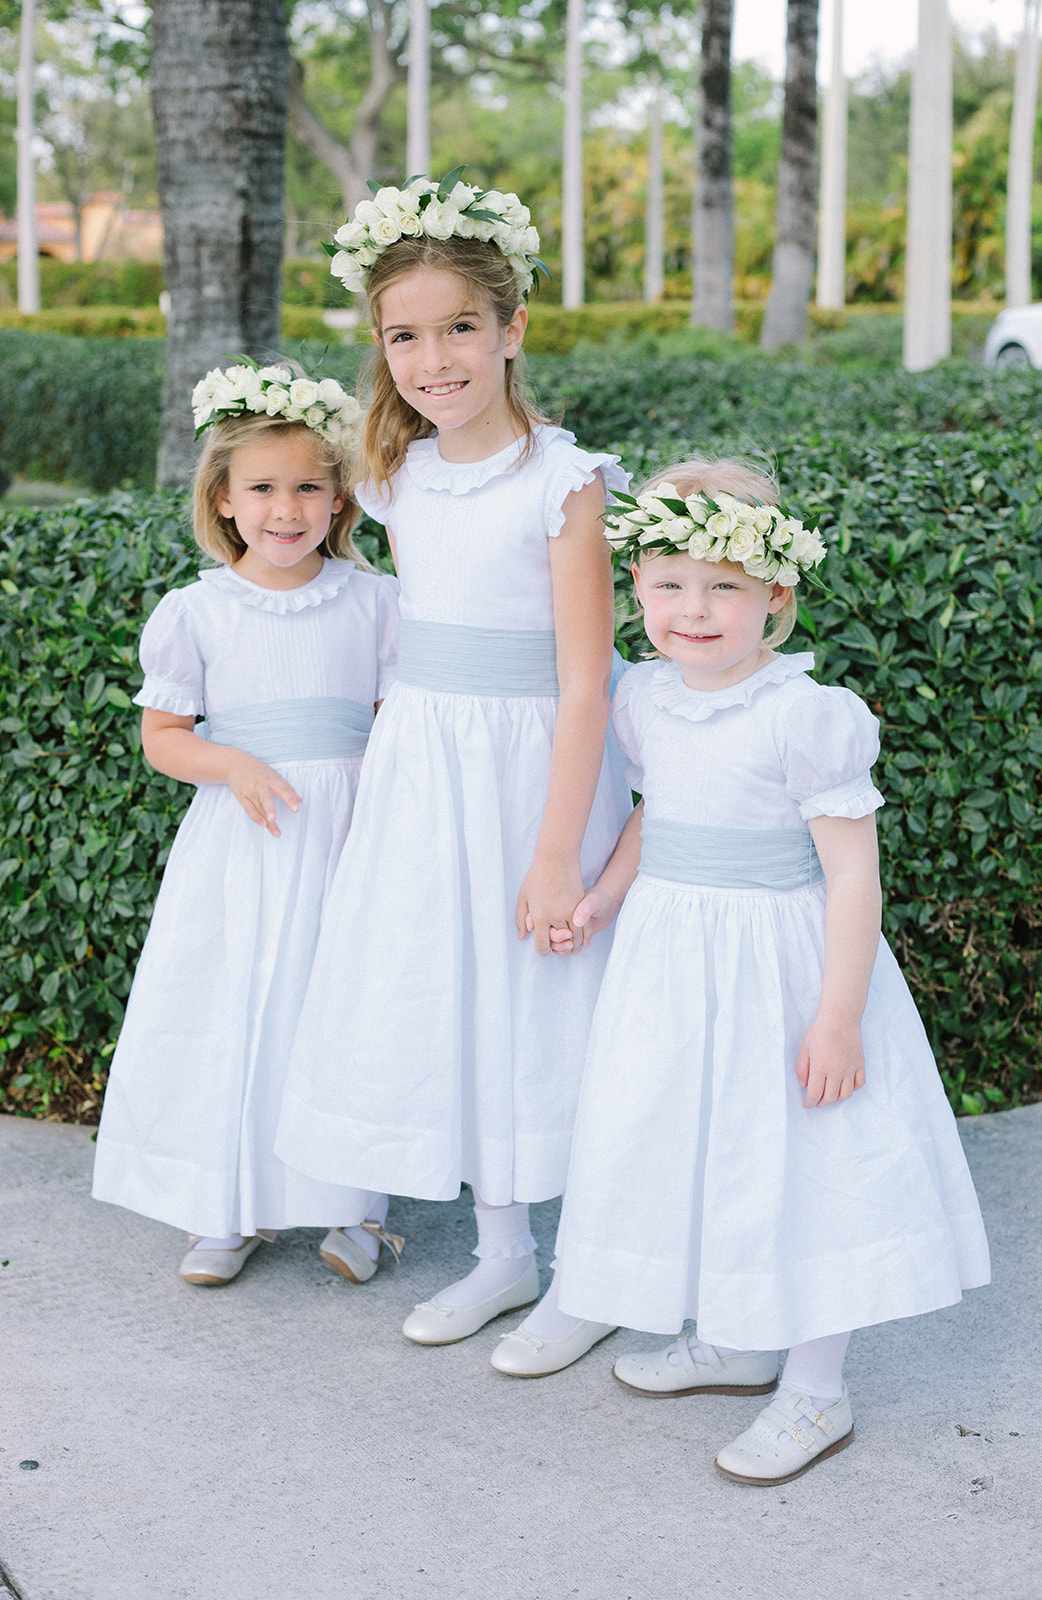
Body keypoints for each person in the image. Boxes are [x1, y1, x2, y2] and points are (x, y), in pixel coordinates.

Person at [515, 458, 990, 1483]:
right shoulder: (645, 698)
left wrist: (837, 1017)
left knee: (801, 1166)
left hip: (781, 970)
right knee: (701, 1148)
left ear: (774, 594)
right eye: (670, 584)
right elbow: (655, 816)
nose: (693, 610)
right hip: (671, 964)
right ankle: (734, 1337)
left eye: (723, 587)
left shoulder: (805, 714)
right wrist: (598, 898)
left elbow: (851, 875)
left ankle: (815, 1389)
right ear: (636, 586)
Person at [275, 173, 632, 1352]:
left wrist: (554, 853)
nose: (435, 359)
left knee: (546, 1002)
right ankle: (502, 1252)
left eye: (461, 327)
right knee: (458, 994)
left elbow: (585, 681)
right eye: (405, 336)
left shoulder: (562, 484)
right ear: (380, 347)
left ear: (512, 327)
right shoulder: (395, 477)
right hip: (426, 768)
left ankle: (592, 1271)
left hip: (535, 774)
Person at [92, 362, 404, 1289]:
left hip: (348, 834)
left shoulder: (375, 602)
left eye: (308, 486)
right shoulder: (196, 612)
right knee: (235, 1012)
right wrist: (232, 765)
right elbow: (163, 738)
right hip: (244, 841)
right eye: (262, 488)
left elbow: (396, 723)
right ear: (223, 498)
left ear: (339, 496)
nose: (285, 508)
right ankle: (226, 1205)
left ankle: (356, 1206)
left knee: (343, 1010)